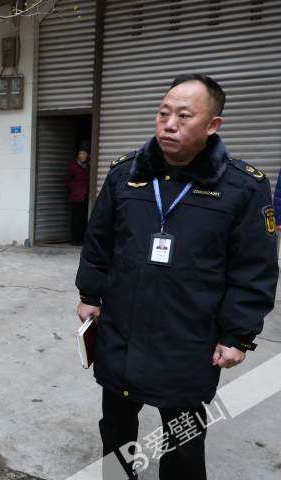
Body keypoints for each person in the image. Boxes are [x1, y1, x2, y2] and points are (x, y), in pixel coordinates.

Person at [75, 74, 278, 480]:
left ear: (212, 125)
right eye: (163, 113)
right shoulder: (124, 174)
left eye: (184, 116)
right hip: (121, 329)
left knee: (183, 438)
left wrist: (238, 335)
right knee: (115, 426)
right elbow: (99, 241)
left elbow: (254, 268)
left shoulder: (243, 186)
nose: (169, 125)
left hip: (189, 338)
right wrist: (90, 295)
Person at [65, 140, 91, 245]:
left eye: (84, 154)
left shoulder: (92, 165)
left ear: (89, 155)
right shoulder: (72, 165)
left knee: (88, 219)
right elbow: (67, 181)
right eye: (80, 153)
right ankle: (75, 240)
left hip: (89, 196)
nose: (81, 156)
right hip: (78, 197)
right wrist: (76, 188)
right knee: (78, 219)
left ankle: (86, 240)